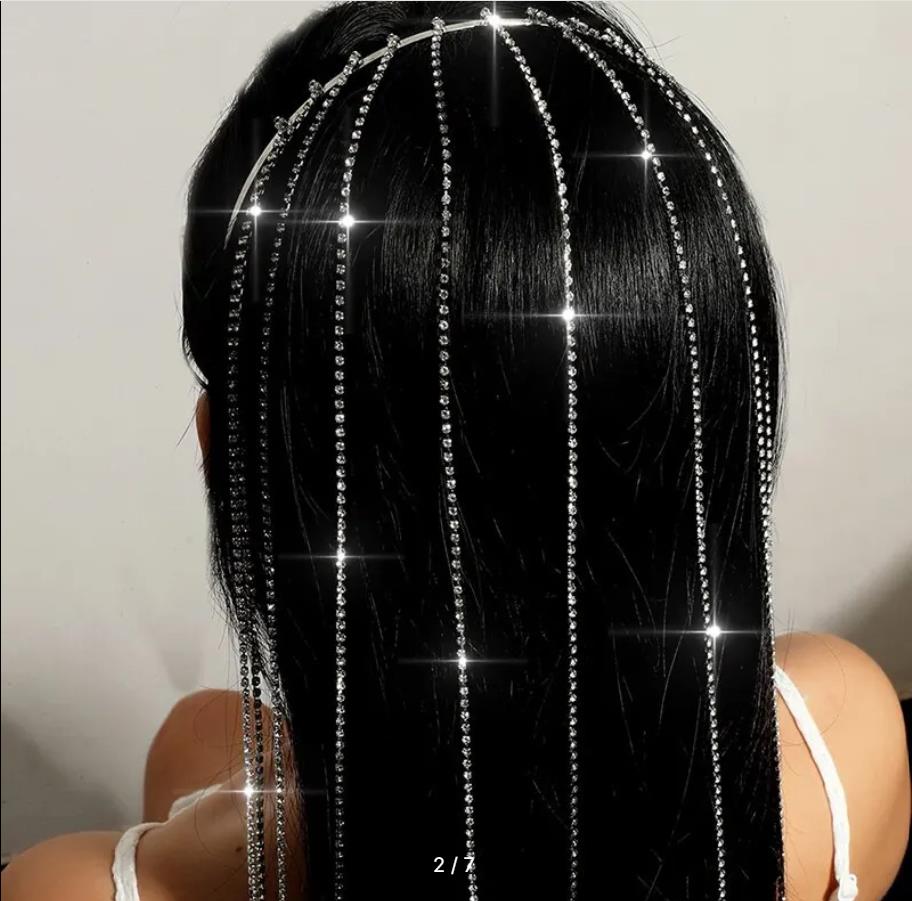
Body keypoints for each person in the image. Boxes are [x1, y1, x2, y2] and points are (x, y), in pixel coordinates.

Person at [3, 3, 909, 900]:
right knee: (201, 730)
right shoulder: (844, 741)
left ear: (223, 455)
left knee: (197, 736)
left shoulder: (75, 888)